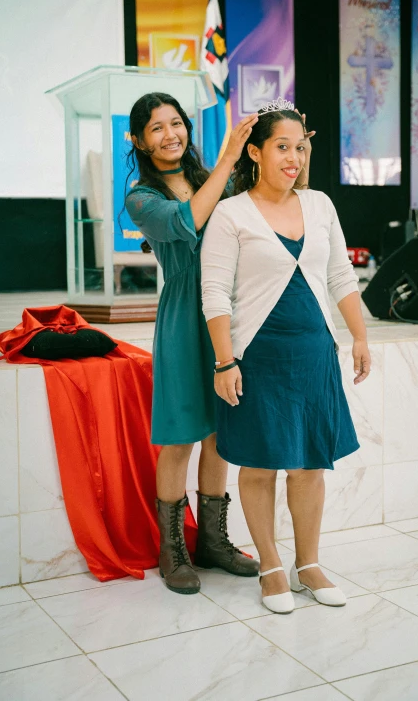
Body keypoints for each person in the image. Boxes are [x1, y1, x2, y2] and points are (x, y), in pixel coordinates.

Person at [201, 100, 371, 614]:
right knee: (258, 465)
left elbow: (342, 274)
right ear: (254, 152)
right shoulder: (231, 213)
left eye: (301, 147)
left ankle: (309, 563)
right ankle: (271, 567)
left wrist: (361, 337)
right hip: (257, 356)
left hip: (313, 353)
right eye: (282, 147)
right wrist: (225, 361)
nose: (294, 157)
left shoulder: (320, 204)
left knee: (310, 466)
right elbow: (215, 292)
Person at [125, 92, 260, 594]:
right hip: (185, 319)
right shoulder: (142, 197)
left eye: (176, 123)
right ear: (139, 140)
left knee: (220, 431)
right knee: (182, 434)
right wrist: (226, 160)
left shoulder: (212, 180)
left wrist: (287, 146)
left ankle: (213, 542)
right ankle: (173, 550)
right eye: (156, 128)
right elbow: (187, 222)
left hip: (225, 312)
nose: (170, 135)